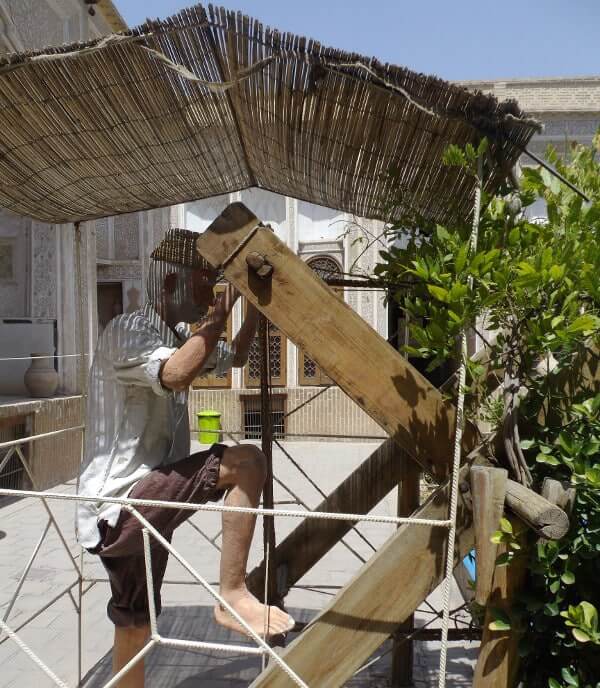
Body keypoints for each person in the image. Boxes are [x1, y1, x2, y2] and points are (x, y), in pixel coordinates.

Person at [76, 229, 294, 688]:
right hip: (123, 502)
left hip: (139, 506)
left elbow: (232, 357)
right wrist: (223, 309)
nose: (209, 295)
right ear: (173, 286)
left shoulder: (174, 334)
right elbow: (175, 374)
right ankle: (232, 593)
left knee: (135, 620)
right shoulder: (130, 328)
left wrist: (250, 300)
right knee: (247, 463)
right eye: (204, 284)